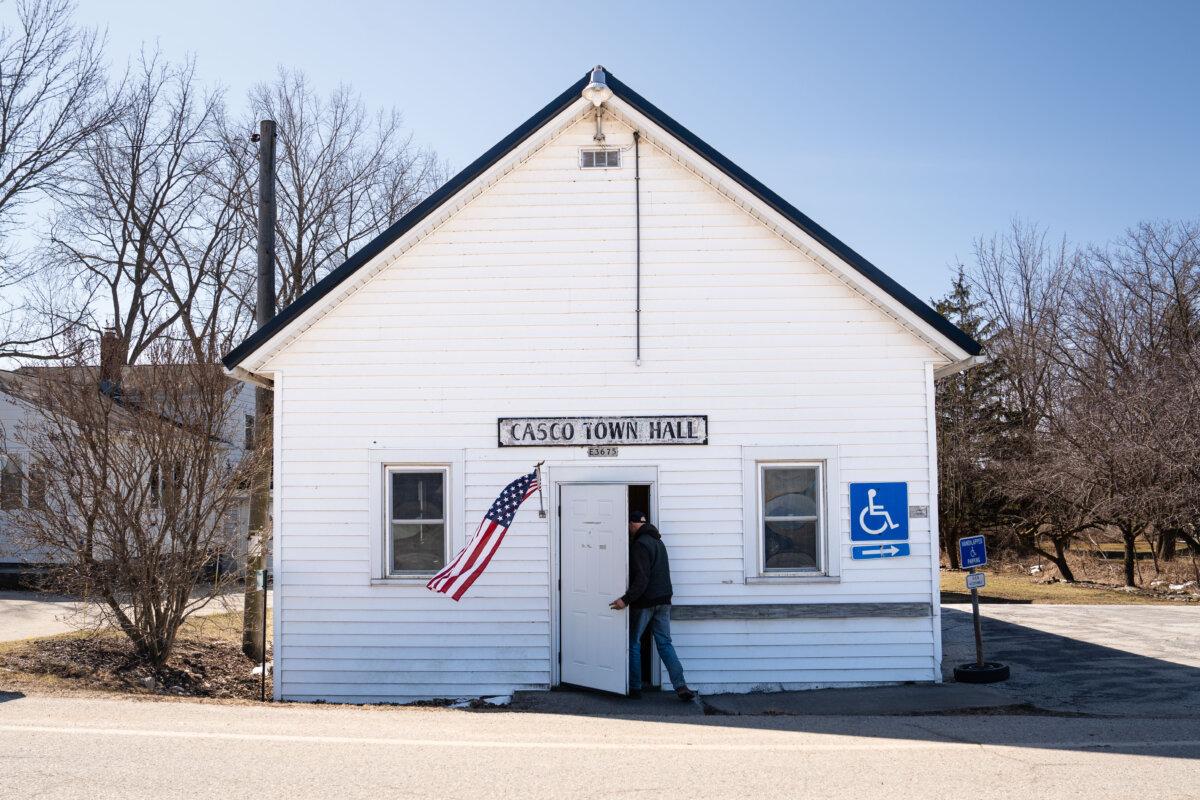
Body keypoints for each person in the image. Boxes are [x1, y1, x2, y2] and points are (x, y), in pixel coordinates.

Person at [610, 511, 696, 701]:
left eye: (628, 526)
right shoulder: (659, 542)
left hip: (646, 601)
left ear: (633, 524)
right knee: (665, 643)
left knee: (633, 642)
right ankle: (681, 686)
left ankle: (634, 687)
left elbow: (641, 579)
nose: (628, 530)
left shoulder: (640, 545)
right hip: (664, 599)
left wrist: (625, 599)